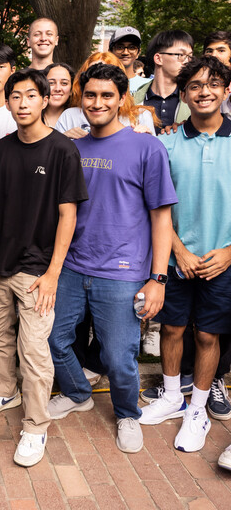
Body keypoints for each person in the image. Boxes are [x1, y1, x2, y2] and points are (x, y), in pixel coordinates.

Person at [47, 63, 177, 454]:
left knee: (119, 359)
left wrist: (158, 279)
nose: (97, 102)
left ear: (122, 100)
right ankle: (77, 392)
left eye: (107, 95)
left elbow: (161, 217)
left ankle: (126, 413)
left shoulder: (146, 147)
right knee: (52, 339)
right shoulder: (70, 147)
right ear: (80, 99)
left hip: (122, 273)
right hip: (71, 267)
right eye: (90, 95)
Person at [0, 68, 87, 468]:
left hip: (37, 268)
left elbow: (68, 215)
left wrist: (54, 272)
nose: (22, 103)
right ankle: (4, 389)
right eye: (15, 97)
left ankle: (36, 426)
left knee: (35, 349)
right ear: (8, 102)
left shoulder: (61, 151)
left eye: (30, 96)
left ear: (44, 100)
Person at [139, 56, 231, 453]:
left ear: (226, 91)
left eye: (212, 84)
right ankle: (173, 395)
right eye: (194, 86)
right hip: (177, 259)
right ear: (183, 94)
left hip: (221, 262)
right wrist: (177, 249)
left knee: (209, 335)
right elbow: (155, 207)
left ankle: (197, 410)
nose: (204, 91)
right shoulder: (166, 143)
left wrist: (229, 252)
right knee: (172, 330)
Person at [56, 52, 158, 139]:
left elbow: (150, 154)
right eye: (92, 72)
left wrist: (146, 139)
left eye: (107, 72)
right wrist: (63, 139)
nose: (99, 78)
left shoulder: (140, 116)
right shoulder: (69, 116)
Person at [134, 30, 194, 128]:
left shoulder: (194, 100)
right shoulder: (133, 101)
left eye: (190, 56)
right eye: (181, 55)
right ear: (158, 59)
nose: (187, 61)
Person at [108, 26, 151, 93]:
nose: (125, 52)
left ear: (138, 53)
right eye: (120, 47)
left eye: (132, 47)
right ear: (110, 52)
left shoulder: (149, 86)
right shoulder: (102, 83)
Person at [43, 63, 75, 128]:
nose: (57, 89)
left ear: (71, 90)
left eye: (64, 83)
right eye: (51, 83)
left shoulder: (79, 120)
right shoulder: (31, 117)